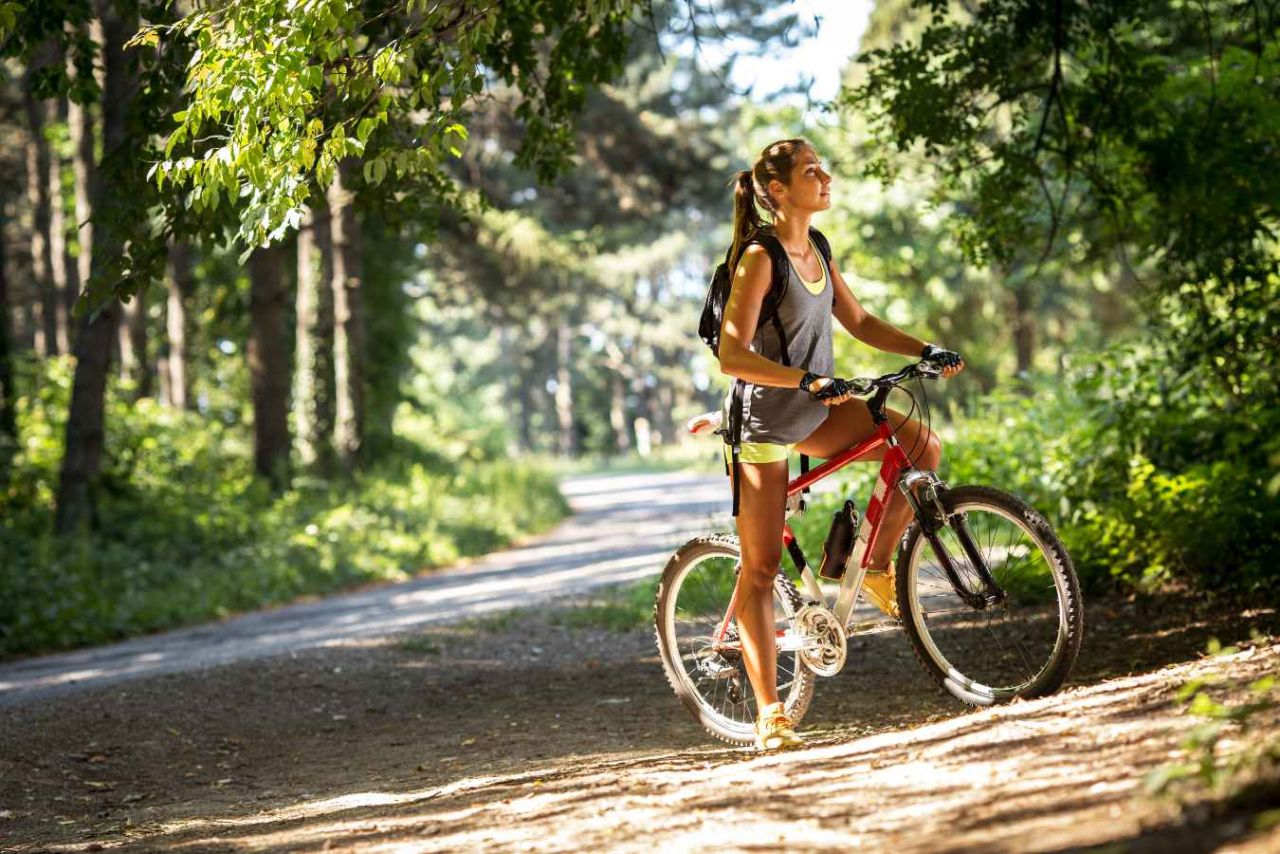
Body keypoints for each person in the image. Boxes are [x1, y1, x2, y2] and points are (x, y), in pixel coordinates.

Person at [717, 138, 964, 751]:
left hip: (817, 405)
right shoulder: (760, 257)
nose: (825, 177)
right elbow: (732, 354)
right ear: (777, 192)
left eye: (823, 167)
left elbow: (859, 322)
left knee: (919, 447)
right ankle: (771, 713)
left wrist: (923, 350)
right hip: (767, 423)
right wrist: (803, 378)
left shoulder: (817, 248)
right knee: (761, 568)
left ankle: (875, 565)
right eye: (811, 171)